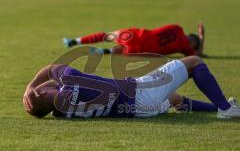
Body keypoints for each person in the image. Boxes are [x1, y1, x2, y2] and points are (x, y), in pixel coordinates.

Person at [23, 56, 240, 119]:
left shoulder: (61, 112)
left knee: (174, 98)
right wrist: (29, 87)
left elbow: (55, 86)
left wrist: (35, 98)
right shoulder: (70, 81)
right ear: (41, 92)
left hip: (137, 110)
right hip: (139, 93)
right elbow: (52, 70)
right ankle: (225, 109)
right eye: (39, 90)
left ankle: (219, 108)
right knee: (193, 62)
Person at [63, 24, 205, 56]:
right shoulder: (185, 46)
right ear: (193, 42)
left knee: (107, 35)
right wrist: (202, 38)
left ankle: (74, 41)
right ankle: (103, 51)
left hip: (135, 34)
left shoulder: (177, 27)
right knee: (122, 51)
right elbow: (197, 56)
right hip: (141, 49)